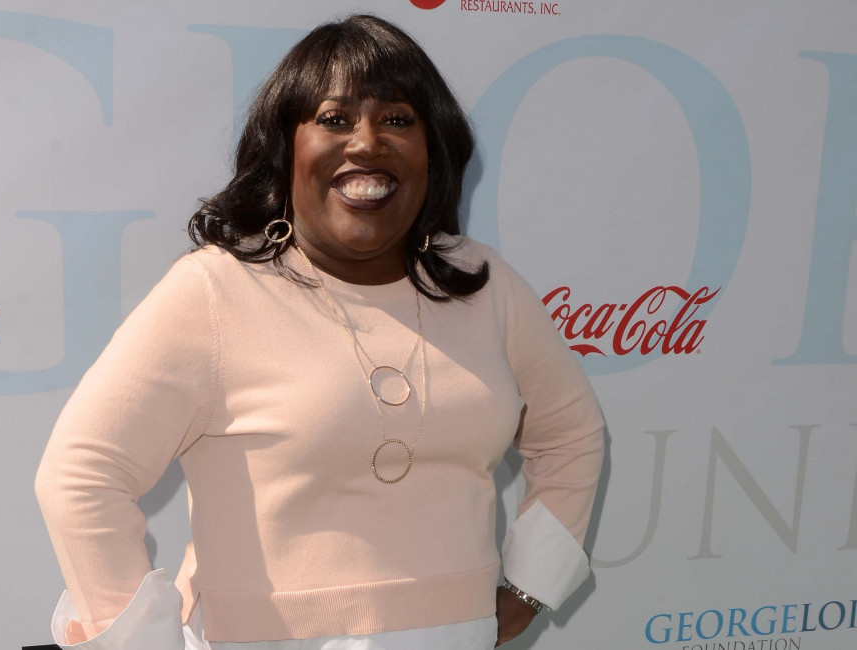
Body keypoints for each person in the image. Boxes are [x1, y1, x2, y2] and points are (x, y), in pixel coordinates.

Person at [35, 13, 604, 650]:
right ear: (286, 148)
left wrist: (530, 586)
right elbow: (81, 476)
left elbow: (570, 435)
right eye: (335, 119)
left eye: (397, 119)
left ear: (432, 149)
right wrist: (142, 642)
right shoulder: (216, 290)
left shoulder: (482, 282)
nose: (367, 143)